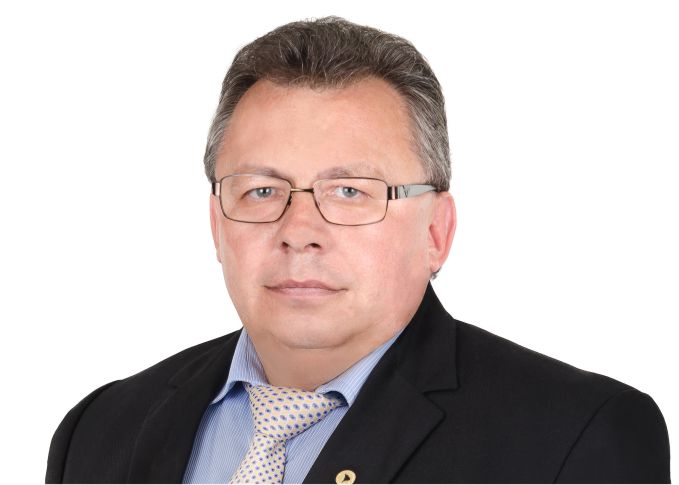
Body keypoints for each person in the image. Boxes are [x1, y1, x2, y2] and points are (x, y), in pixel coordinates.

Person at [46, 16, 670, 484]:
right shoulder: (99, 430)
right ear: (216, 224)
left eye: (349, 191)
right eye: (261, 190)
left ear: (436, 231)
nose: (299, 230)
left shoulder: (576, 437)